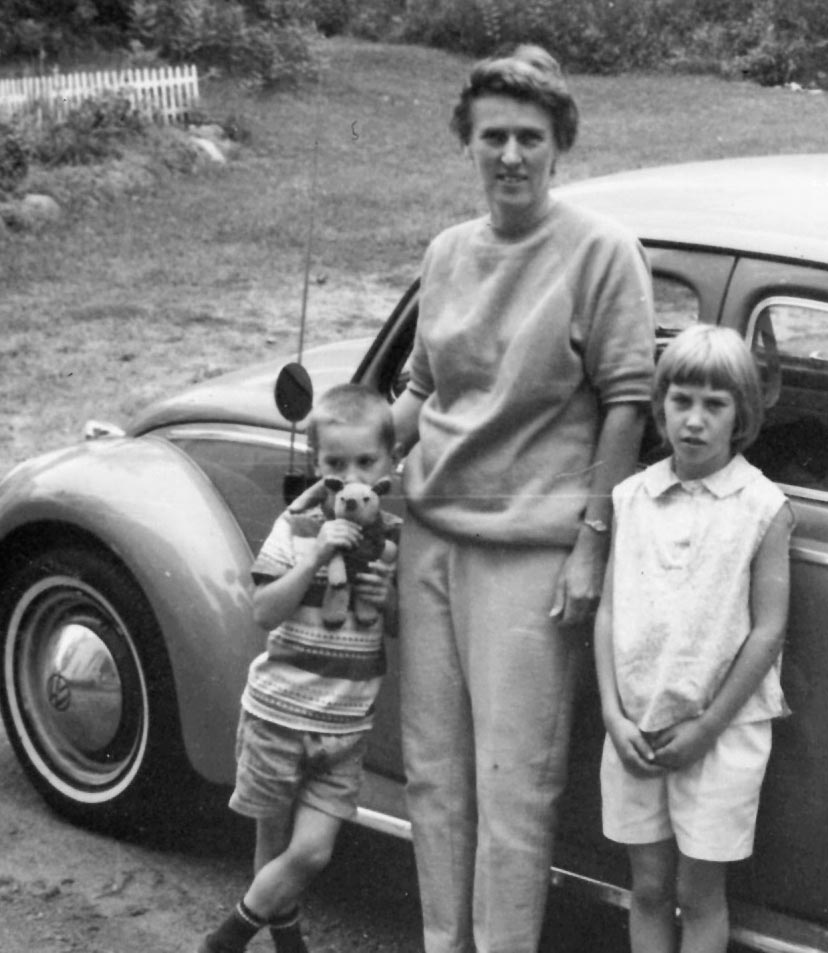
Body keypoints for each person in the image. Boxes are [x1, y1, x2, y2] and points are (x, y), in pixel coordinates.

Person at [391, 43, 656, 953]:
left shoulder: (602, 252)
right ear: (467, 141)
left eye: (530, 137)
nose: (511, 154)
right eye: (493, 135)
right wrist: (349, 455)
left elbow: (628, 400)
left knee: (514, 786)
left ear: (560, 144)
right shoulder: (446, 252)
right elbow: (424, 389)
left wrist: (591, 542)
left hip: (533, 552)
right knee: (434, 774)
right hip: (430, 535)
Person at [594, 325, 793, 953]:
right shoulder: (632, 498)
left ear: (742, 415)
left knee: (699, 895)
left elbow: (768, 630)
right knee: (648, 887)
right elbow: (607, 612)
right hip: (636, 728)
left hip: (720, 733)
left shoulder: (763, 507)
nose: (695, 420)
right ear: (661, 408)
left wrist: (707, 727)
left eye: (715, 404)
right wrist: (611, 713)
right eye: (681, 401)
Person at [198, 383, 401, 953]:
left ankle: (227, 938)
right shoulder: (298, 525)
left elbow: (397, 625)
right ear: (318, 465)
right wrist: (312, 559)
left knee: (312, 851)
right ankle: (288, 943)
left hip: (344, 726)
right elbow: (264, 609)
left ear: (391, 463)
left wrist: (386, 595)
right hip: (278, 714)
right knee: (273, 845)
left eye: (366, 461)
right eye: (336, 463)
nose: (352, 473)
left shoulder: (388, 540)